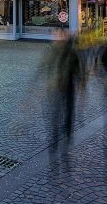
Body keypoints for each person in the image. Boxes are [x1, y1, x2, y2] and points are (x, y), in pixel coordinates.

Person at [41, 27, 84, 155]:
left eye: (60, 35)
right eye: (56, 35)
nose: (57, 38)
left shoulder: (72, 52)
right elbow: (45, 66)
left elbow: (78, 70)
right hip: (55, 88)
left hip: (69, 86)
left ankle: (68, 132)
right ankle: (54, 138)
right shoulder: (51, 50)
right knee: (55, 113)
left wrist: (81, 85)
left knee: (69, 111)